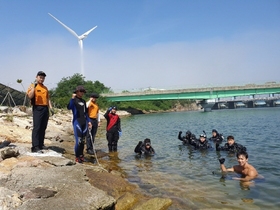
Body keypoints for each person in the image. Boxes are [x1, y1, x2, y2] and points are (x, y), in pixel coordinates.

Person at [27, 71, 53, 153]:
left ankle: (41, 144)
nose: (42, 79)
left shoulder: (45, 88)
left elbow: (48, 99)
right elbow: (30, 96)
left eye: (43, 78)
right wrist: (34, 88)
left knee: (43, 127)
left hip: (45, 108)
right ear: (36, 77)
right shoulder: (32, 86)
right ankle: (35, 146)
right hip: (37, 108)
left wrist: (51, 108)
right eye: (40, 77)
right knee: (37, 127)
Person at [67, 85, 92, 163]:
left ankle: (81, 155)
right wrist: (72, 98)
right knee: (78, 141)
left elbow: (86, 113)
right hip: (77, 122)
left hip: (84, 122)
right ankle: (77, 156)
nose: (82, 93)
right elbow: (69, 107)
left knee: (83, 141)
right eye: (81, 91)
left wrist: (89, 121)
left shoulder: (84, 101)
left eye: (83, 92)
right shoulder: (74, 100)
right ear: (77, 92)